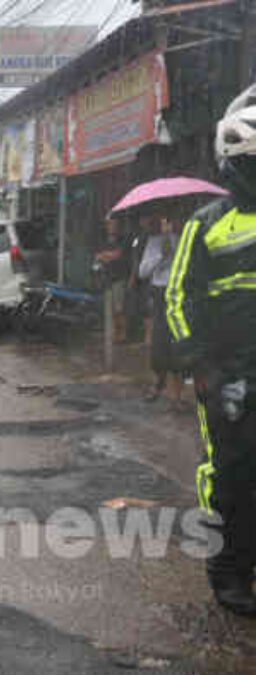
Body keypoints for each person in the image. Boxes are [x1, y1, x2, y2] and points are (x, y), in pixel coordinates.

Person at [166, 84, 256, 616]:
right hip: (226, 374)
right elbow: (178, 296)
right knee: (229, 472)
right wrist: (199, 364)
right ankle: (227, 570)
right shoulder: (206, 224)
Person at [138, 215, 184, 405]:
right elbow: (143, 271)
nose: (167, 226)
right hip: (160, 292)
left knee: (179, 342)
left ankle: (176, 395)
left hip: (180, 292)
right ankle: (158, 382)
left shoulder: (183, 240)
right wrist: (161, 256)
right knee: (159, 341)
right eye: (164, 222)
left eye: (170, 221)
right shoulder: (153, 242)